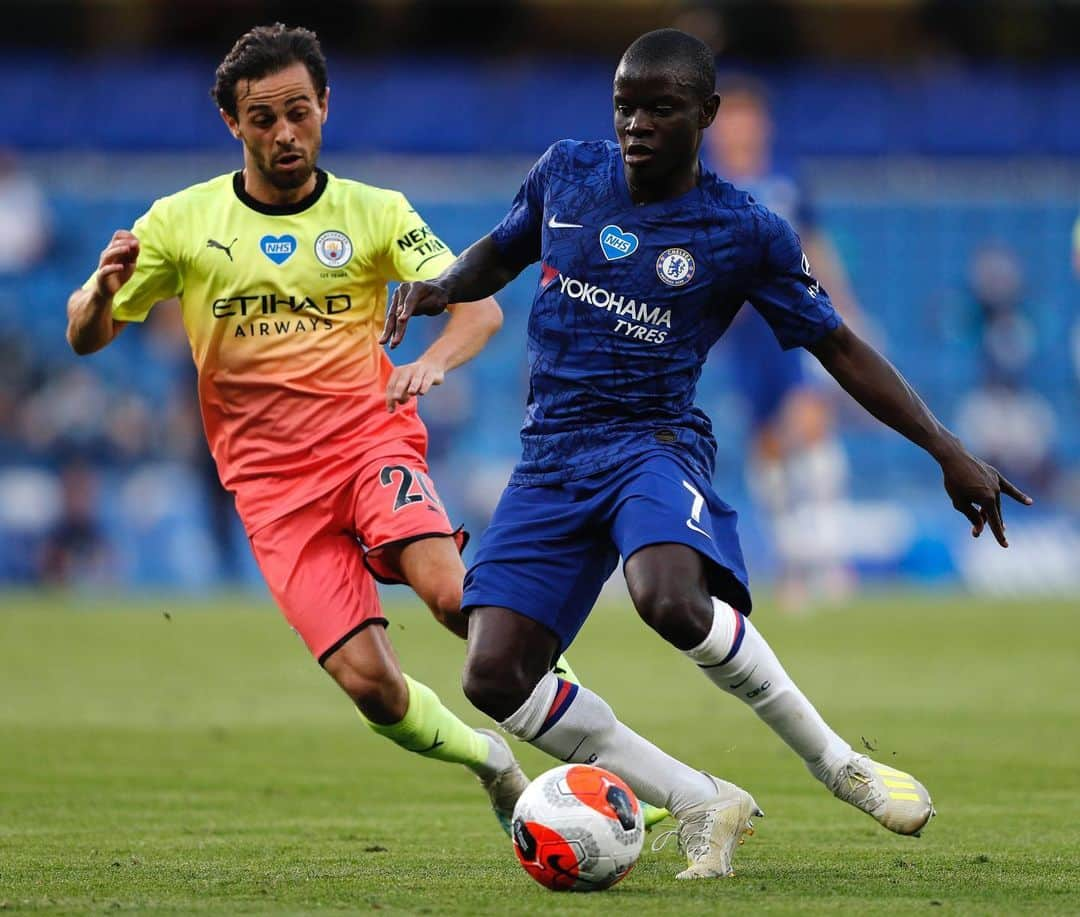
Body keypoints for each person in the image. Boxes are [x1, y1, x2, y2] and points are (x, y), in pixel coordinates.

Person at [382, 28, 1032, 879]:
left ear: (707, 115)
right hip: (549, 456)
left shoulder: (743, 230)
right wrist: (442, 286)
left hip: (652, 441)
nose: (637, 125)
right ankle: (698, 797)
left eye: (660, 109)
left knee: (667, 598)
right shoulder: (567, 173)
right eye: (625, 107)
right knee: (494, 676)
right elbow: (501, 252)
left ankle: (840, 764)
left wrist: (948, 449)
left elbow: (837, 345)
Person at [65, 23, 530, 831]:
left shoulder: (375, 212)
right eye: (263, 119)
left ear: (324, 106)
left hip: (368, 444)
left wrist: (434, 363)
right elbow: (85, 334)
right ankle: (493, 762)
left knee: (454, 596)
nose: (285, 133)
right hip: (273, 493)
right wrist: (101, 297)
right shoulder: (181, 222)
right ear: (233, 124)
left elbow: (480, 309)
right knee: (372, 687)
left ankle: (604, 754)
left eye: (299, 112)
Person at [705, 75, 862, 609]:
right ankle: (794, 563)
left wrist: (845, 307)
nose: (738, 129)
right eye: (729, 120)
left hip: (794, 324)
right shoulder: (702, 187)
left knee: (811, 428)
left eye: (746, 118)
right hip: (741, 337)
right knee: (767, 445)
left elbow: (816, 246)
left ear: (762, 125)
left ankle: (831, 558)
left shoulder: (786, 183)